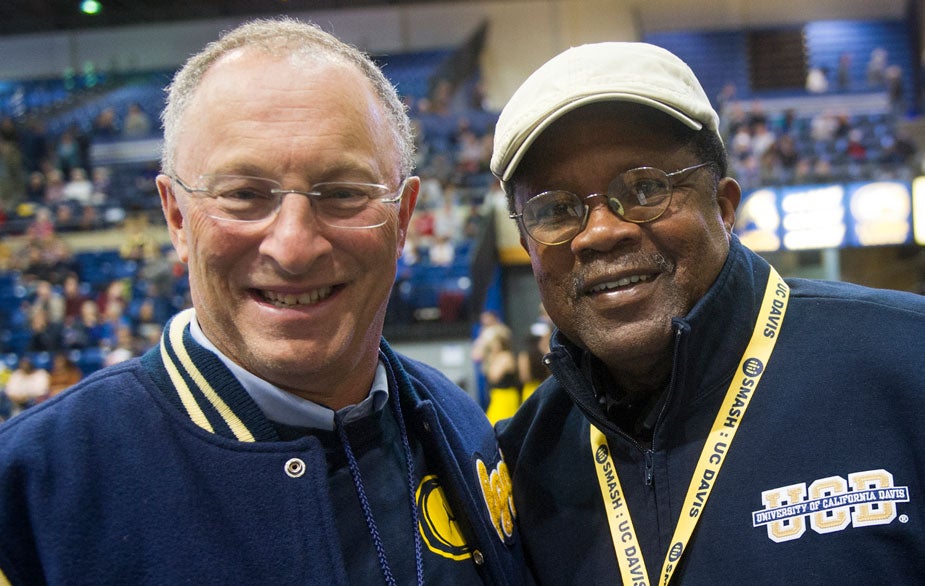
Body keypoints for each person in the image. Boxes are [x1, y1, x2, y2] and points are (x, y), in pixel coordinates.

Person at [0, 18, 526, 585]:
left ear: (402, 219)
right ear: (176, 217)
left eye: (344, 193)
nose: (294, 247)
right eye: (244, 195)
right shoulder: (34, 490)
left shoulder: (457, 423)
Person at [491, 42, 925, 583]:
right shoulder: (522, 464)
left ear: (723, 205)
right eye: (555, 210)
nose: (600, 232)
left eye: (645, 187)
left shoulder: (908, 361)